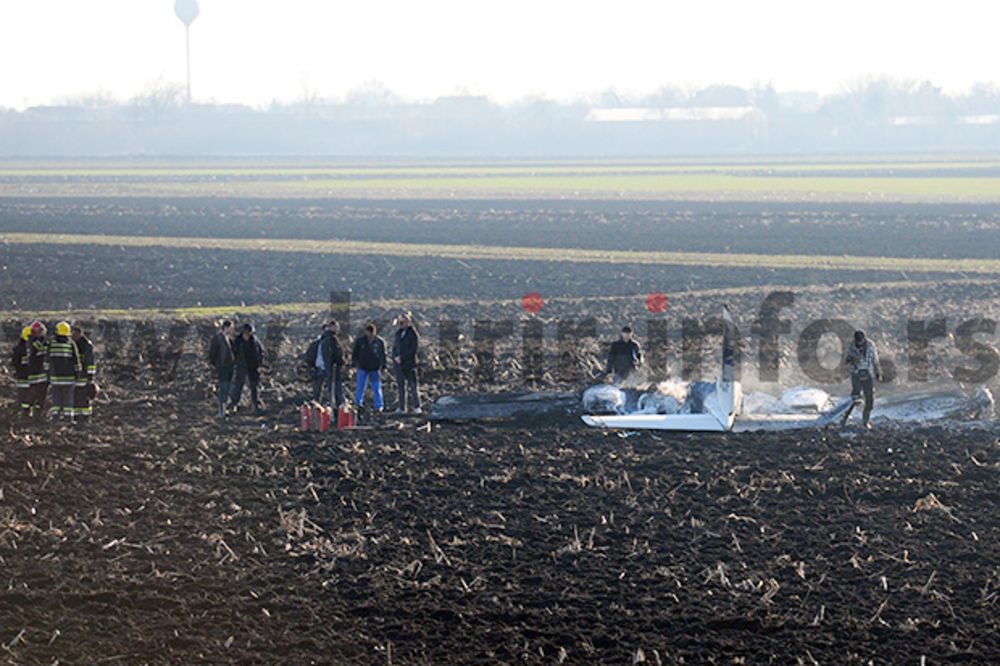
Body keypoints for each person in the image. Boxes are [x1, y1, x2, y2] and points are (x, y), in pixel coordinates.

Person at [841, 329, 883, 429]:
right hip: (856, 374)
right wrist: (850, 360)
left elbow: (875, 360)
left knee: (870, 399)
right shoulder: (851, 346)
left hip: (868, 374)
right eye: (857, 341)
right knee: (855, 398)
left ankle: (865, 421)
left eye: (860, 341)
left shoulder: (870, 346)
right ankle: (844, 418)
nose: (858, 343)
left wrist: (878, 373)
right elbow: (846, 361)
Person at [47, 321, 81, 423]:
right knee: (68, 398)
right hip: (69, 378)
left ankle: (55, 417)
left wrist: (48, 374)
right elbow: (76, 360)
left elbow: (47, 360)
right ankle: (68, 418)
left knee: (56, 398)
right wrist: (78, 373)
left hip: (55, 378)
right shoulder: (71, 343)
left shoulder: (52, 343)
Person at [229, 323, 265, 414]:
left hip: (253, 368)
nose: (248, 335)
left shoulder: (255, 341)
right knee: (238, 386)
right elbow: (233, 353)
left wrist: (259, 363)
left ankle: (256, 405)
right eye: (247, 333)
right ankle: (233, 404)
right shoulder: (237, 342)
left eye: (250, 333)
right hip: (241, 367)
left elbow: (260, 352)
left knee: (254, 387)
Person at [352, 323, 387, 412]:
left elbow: (383, 355)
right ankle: (358, 403)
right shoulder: (360, 341)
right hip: (362, 367)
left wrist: (384, 366)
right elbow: (355, 353)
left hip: (374, 368)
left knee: (376, 387)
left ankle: (379, 406)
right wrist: (354, 365)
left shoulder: (379, 342)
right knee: (360, 386)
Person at [391, 312, 421, 414]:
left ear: (408, 322)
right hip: (399, 364)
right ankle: (402, 407)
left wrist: (402, 358)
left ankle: (417, 407)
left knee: (413, 386)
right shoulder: (398, 334)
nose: (401, 324)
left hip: (409, 364)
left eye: (402, 322)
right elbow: (395, 347)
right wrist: (395, 357)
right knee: (401, 387)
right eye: (399, 322)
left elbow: (413, 349)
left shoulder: (413, 334)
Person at [207, 320, 235, 418]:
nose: (232, 330)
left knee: (227, 388)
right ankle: (221, 410)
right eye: (230, 328)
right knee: (223, 388)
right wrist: (217, 365)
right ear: (225, 328)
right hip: (222, 367)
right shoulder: (218, 339)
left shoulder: (229, 339)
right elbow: (212, 354)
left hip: (229, 367)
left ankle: (225, 408)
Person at [315, 320, 345, 408]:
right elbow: (334, 354)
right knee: (335, 389)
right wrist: (339, 363)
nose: (337, 329)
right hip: (332, 368)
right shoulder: (331, 339)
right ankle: (336, 408)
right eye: (336, 327)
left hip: (328, 367)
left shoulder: (324, 339)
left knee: (329, 389)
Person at [71, 325, 97, 424]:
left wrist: (90, 377)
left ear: (80, 334)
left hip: (84, 378)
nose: (73, 336)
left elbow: (90, 363)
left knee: (84, 399)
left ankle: (86, 418)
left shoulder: (86, 345)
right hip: (76, 377)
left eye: (74, 334)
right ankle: (77, 417)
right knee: (76, 398)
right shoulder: (73, 344)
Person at [26, 322, 49, 423]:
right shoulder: (31, 341)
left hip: (42, 375)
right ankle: (27, 414)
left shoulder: (43, 342)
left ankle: (38, 416)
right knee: (32, 396)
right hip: (34, 373)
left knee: (41, 397)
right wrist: (42, 340)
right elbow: (34, 350)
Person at [10, 326, 31, 421]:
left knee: (22, 395)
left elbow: (14, 362)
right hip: (30, 377)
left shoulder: (18, 348)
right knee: (29, 396)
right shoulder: (33, 347)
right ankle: (27, 413)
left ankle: (21, 413)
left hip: (21, 376)